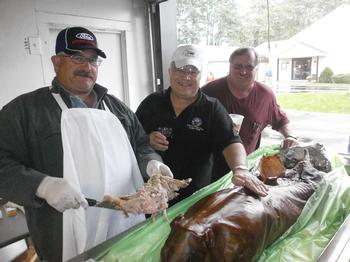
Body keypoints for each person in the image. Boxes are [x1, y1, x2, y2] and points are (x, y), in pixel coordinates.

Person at [0, 26, 173, 261]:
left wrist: (153, 164)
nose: (87, 67)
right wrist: (42, 185)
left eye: (93, 60)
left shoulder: (116, 107)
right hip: (63, 232)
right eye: (77, 58)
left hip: (126, 222)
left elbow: (141, 145)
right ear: (56, 62)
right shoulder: (25, 111)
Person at [136, 44, 268, 205]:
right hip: (154, 194)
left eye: (193, 71)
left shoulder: (212, 108)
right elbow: (132, 137)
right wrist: (147, 140)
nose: (186, 77)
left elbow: (230, 141)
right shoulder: (152, 103)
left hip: (195, 197)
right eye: (181, 69)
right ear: (170, 71)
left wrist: (240, 169)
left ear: (202, 75)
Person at [202, 47, 298, 181]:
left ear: (256, 69)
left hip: (244, 173)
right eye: (238, 66)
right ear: (229, 66)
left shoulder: (265, 95)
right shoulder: (209, 92)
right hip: (209, 173)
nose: (243, 71)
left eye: (249, 67)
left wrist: (290, 136)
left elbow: (281, 120)